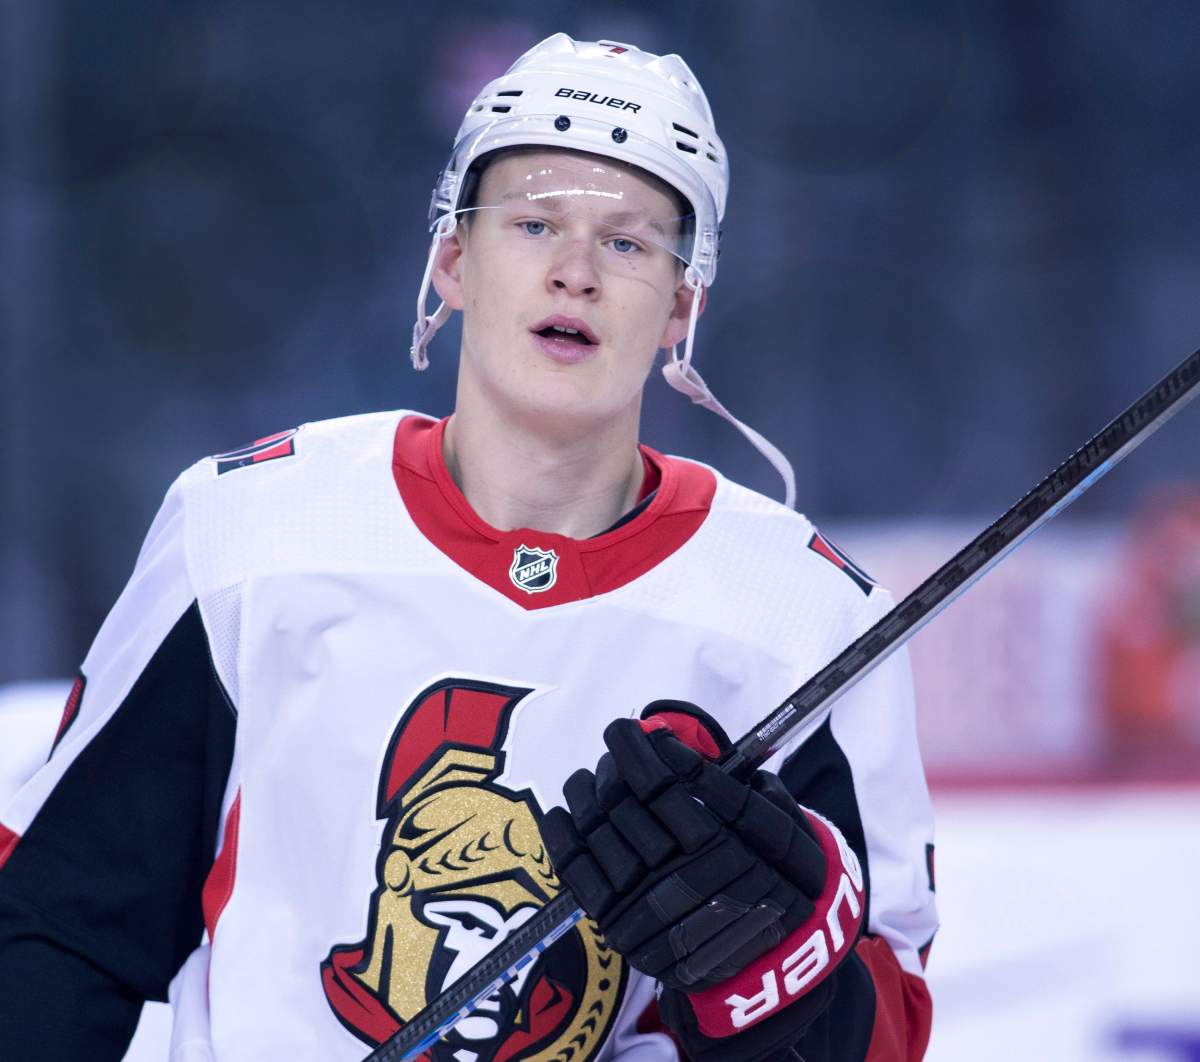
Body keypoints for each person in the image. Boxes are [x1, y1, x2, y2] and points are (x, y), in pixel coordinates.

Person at [0, 33, 937, 1061]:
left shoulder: (804, 615)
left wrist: (778, 968)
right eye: (535, 224)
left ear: (682, 305)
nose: (576, 273)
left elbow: (887, 1031)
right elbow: (57, 928)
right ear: (452, 260)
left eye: (629, 244)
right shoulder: (251, 532)